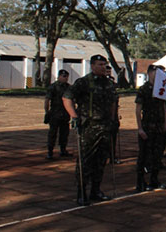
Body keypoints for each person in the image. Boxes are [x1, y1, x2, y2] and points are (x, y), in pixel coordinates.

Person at [62, 54, 117, 206]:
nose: (103, 67)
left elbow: (113, 101)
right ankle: (81, 193)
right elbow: (67, 97)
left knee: (101, 160)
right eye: (99, 64)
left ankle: (96, 190)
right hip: (89, 126)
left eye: (104, 64)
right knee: (85, 161)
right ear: (92, 66)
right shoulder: (84, 82)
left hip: (105, 126)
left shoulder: (109, 84)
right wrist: (74, 116)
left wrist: (112, 120)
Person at [135, 65, 166, 192]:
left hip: (159, 127)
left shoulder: (161, 88)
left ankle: (154, 180)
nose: (159, 75)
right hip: (147, 127)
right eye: (156, 73)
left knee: (157, 155)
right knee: (144, 155)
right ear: (149, 73)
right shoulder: (144, 89)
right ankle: (141, 181)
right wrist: (140, 128)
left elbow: (164, 106)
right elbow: (138, 110)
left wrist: (165, 122)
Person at [44, 69, 71, 159]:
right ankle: (50, 152)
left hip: (65, 114)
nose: (65, 78)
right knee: (52, 133)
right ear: (59, 76)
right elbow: (47, 100)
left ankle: (63, 150)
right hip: (55, 113)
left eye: (67, 77)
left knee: (64, 133)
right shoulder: (53, 87)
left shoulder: (68, 87)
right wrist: (47, 112)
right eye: (64, 76)